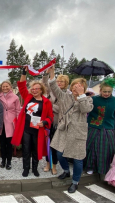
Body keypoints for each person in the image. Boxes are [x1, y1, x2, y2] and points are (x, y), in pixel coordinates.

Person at [47, 65, 93, 193]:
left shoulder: (88, 100)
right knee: (59, 154)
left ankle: (75, 181)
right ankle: (66, 171)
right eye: (74, 85)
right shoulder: (65, 97)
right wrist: (52, 73)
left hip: (77, 132)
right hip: (63, 130)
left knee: (77, 158)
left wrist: (81, 95)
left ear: (83, 88)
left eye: (79, 86)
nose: (75, 88)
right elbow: (54, 88)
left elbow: (86, 110)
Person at [11, 67, 54, 177]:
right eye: (33, 89)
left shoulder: (46, 102)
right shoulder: (28, 97)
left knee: (36, 150)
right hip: (26, 128)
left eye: (37, 89)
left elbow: (50, 116)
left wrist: (44, 122)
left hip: (38, 130)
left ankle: (35, 168)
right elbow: (21, 85)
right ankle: (26, 168)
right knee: (26, 150)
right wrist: (24, 72)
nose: (34, 90)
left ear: (41, 90)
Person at [85, 78, 115, 175]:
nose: (106, 93)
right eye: (104, 91)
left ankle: (104, 169)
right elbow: (86, 110)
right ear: (100, 90)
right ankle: (90, 166)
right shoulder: (94, 99)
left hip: (109, 127)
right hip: (93, 126)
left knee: (106, 150)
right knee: (91, 148)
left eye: (109, 92)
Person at [0, 71, 20, 170]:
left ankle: (9, 162)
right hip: (1, 122)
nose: (5, 88)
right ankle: (3, 160)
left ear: (10, 87)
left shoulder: (15, 97)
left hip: (11, 122)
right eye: (3, 86)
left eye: (7, 86)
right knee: (2, 144)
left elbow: (18, 110)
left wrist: (18, 123)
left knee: (9, 145)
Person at [41, 71, 70, 175]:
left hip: (58, 121)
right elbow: (44, 84)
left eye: (62, 81)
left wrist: (49, 107)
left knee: (55, 145)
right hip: (48, 121)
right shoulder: (50, 92)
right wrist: (45, 74)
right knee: (47, 144)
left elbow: (63, 108)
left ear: (66, 83)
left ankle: (54, 166)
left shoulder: (67, 94)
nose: (59, 83)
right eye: (58, 81)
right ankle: (48, 163)